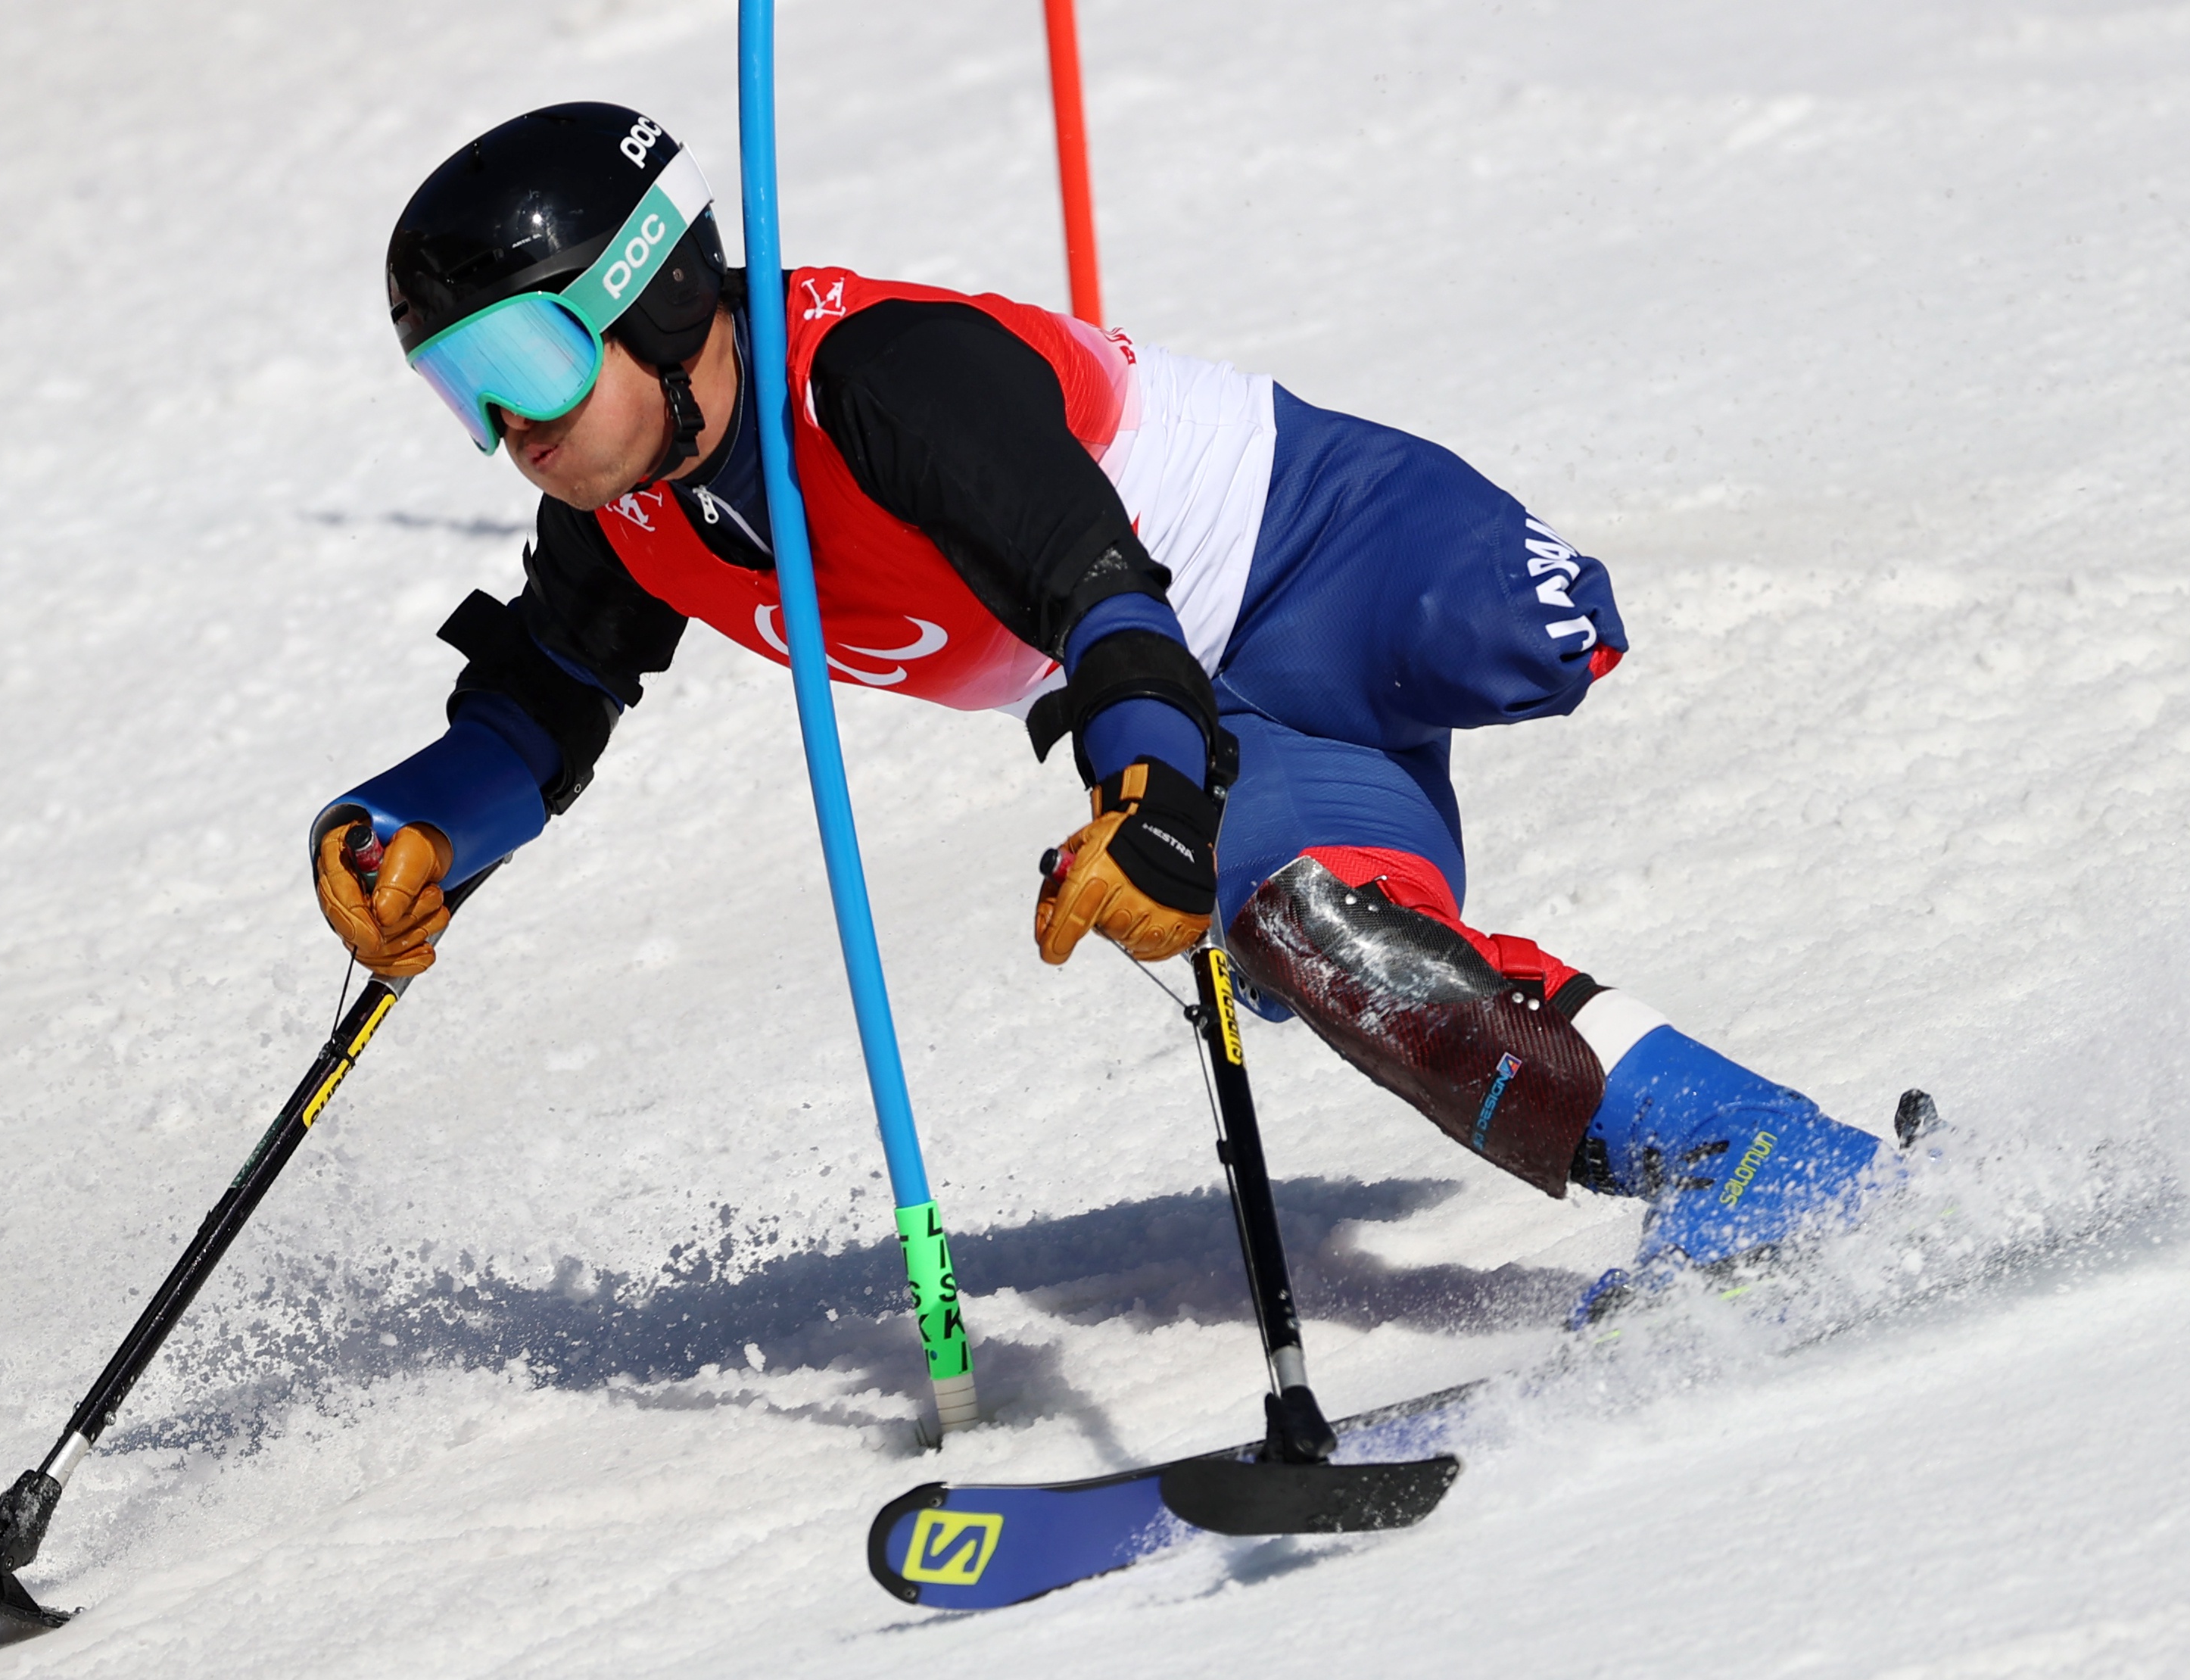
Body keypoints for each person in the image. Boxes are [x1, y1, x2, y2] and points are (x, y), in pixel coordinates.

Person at [314, 102, 1895, 1323]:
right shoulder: (630, 505)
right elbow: (545, 696)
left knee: (1299, 831)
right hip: (1222, 699)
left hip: (1336, 559)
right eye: (464, 390)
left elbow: (1099, 598)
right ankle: (1759, 1169)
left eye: (524, 358)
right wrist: (421, 823)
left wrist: (1151, 791)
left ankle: (1779, 1176)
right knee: (1317, 931)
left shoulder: (876, 376)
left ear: (652, 296)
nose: (507, 429)